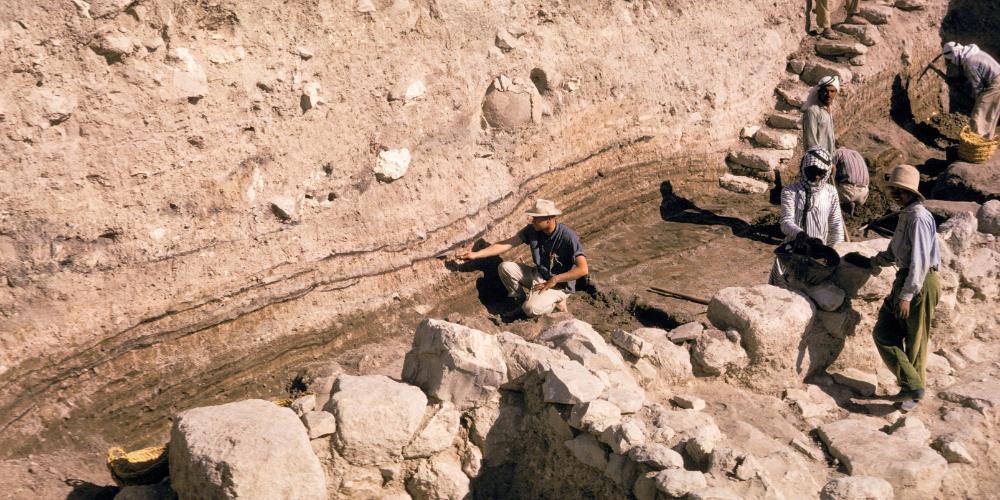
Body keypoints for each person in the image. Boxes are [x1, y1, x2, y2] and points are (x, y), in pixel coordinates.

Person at [843, 165, 940, 411]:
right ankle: (913, 386)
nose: (897, 195)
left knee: (915, 340)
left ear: (912, 194)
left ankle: (912, 392)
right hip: (905, 279)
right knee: (885, 333)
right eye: (894, 190)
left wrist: (907, 295)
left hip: (918, 282)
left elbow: (919, 261)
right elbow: (895, 252)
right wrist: (871, 262)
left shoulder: (918, 218)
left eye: (902, 191)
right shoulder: (907, 214)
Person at [455, 199, 589, 318]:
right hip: (539, 275)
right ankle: (520, 302)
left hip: (559, 285)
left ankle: (557, 302)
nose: (532, 220)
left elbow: (583, 269)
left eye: (536, 218)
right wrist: (476, 255)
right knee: (505, 267)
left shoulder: (567, 237)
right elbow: (507, 244)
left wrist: (555, 279)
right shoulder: (532, 230)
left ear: (549, 218)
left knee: (530, 309)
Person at [769, 147, 845, 286]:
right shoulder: (790, 191)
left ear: (827, 172)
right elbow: (785, 222)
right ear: (803, 168)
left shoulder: (830, 192)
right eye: (811, 172)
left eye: (820, 173)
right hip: (792, 254)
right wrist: (800, 234)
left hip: (818, 258)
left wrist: (833, 252)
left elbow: (836, 226)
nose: (816, 177)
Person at [943, 41, 1000, 139]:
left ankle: (976, 143)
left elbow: (978, 87)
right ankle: (986, 140)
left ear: (954, 55)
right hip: (997, 79)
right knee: (989, 115)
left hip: (996, 85)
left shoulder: (969, 63)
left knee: (979, 115)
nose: (952, 62)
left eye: (950, 60)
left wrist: (977, 102)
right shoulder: (972, 53)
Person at [802, 76, 838, 156]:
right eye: (825, 91)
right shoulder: (813, 111)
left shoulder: (828, 110)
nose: (829, 94)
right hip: (817, 160)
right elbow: (811, 142)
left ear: (836, 92)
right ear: (819, 92)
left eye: (832, 91)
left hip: (828, 160)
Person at [832, 148, 870, 215]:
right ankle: (853, 202)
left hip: (848, 192)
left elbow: (831, 168)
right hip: (864, 193)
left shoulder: (838, 152)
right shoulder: (857, 154)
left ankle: (844, 203)